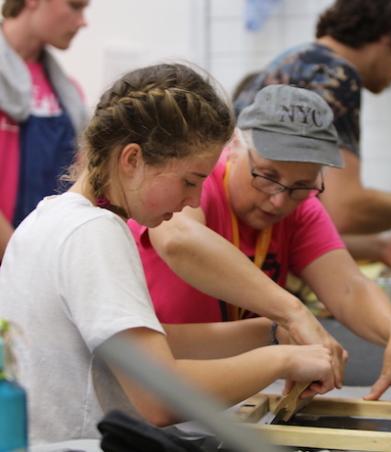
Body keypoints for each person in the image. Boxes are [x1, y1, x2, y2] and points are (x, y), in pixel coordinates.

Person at [0, 64, 339, 444]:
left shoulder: (46, 218)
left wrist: (273, 333)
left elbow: (145, 347)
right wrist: (282, 361)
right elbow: (158, 396)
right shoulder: (94, 232)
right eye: (190, 181)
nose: (194, 200)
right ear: (131, 160)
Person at [130, 84, 391, 412]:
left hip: (230, 395)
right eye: (266, 175)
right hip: (150, 383)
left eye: (302, 186)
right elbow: (178, 239)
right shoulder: (195, 186)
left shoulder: (302, 209)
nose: (278, 200)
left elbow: (349, 287)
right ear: (234, 145)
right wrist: (292, 315)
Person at [234, 0, 391, 235]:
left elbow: (312, 218)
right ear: (390, 38)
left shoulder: (297, 62)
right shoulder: (335, 75)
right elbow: (344, 210)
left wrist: (381, 248)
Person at [0, 0, 89, 261]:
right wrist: (19, 257)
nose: (83, 21)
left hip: (43, 258)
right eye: (75, 6)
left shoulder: (68, 92)